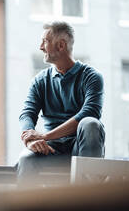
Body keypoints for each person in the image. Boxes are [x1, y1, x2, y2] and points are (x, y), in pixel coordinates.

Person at [16, 21, 105, 182]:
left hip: (82, 148)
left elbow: (90, 112)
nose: (41, 47)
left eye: (45, 41)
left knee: (90, 123)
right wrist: (30, 140)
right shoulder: (40, 81)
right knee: (25, 159)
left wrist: (45, 136)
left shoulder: (92, 76)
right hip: (52, 149)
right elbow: (26, 114)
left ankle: (89, 201)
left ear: (61, 45)